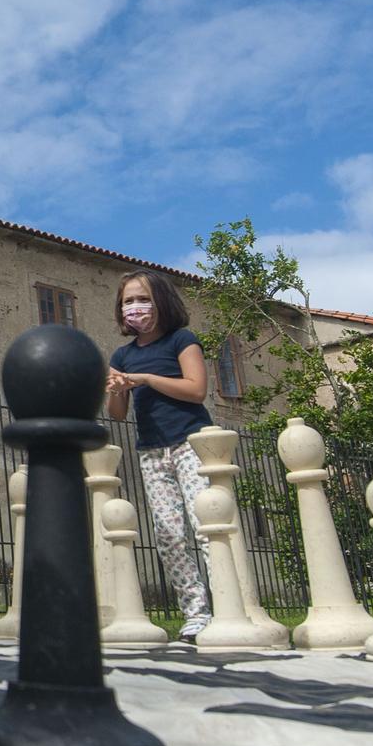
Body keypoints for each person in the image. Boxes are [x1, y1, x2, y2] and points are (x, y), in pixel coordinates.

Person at [103, 270, 214, 641]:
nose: (135, 307)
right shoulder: (123, 355)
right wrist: (118, 387)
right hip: (151, 450)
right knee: (168, 536)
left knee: (207, 527)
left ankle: (232, 603)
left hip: (191, 443)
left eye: (142, 299)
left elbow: (196, 389)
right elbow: (117, 413)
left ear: (161, 301)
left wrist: (147, 378)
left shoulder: (182, 340)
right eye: (128, 301)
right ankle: (195, 613)